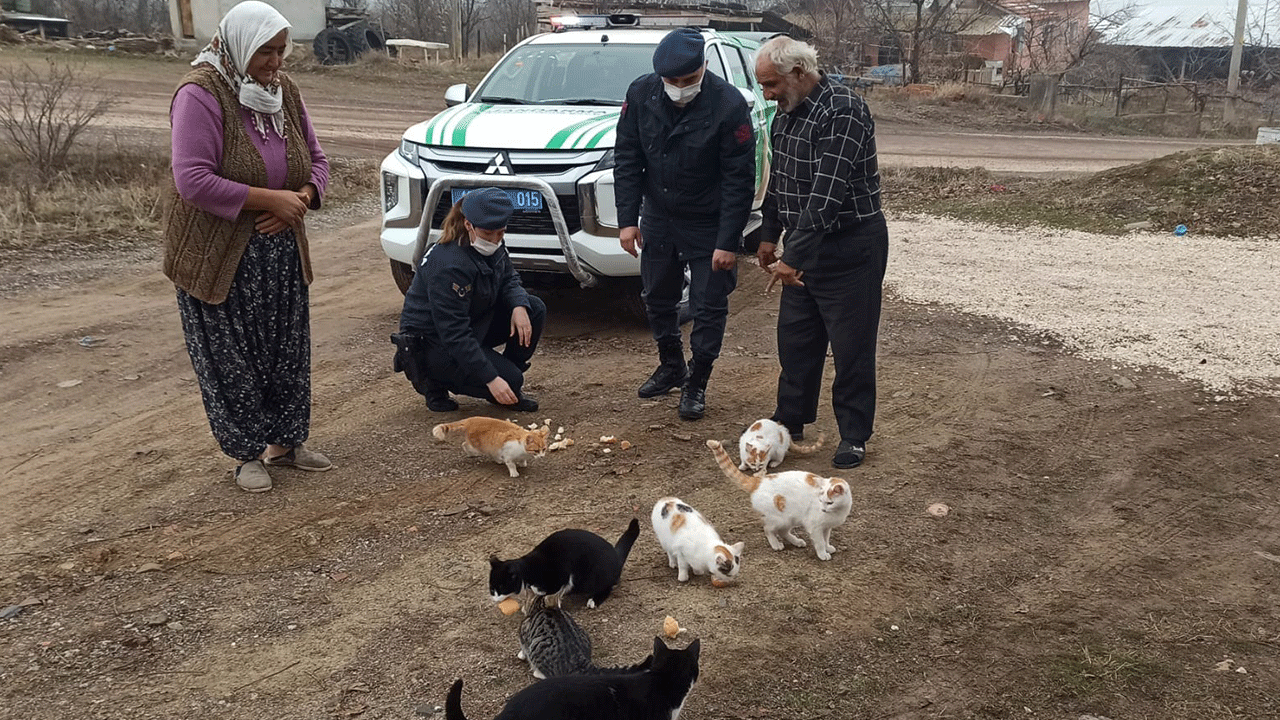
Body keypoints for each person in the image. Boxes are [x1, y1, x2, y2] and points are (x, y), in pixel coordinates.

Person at [164, 1, 331, 493]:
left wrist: (300, 198)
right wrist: (268, 199)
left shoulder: (284, 91)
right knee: (230, 357)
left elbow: (317, 161)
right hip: (218, 256)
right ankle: (246, 454)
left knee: (286, 350)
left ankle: (286, 441)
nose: (275, 63)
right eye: (266, 52)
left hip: (279, 253)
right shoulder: (200, 93)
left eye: (282, 51)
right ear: (239, 46)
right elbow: (191, 179)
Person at [753, 36, 889, 470]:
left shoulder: (843, 110)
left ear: (798, 72)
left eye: (771, 84)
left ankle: (853, 435)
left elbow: (825, 195)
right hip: (806, 244)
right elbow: (782, 181)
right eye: (762, 86)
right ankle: (789, 423)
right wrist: (769, 234)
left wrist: (794, 257)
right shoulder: (786, 114)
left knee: (851, 346)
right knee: (796, 341)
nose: (767, 94)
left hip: (851, 245)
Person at [614, 27, 756, 421]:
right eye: (671, 81)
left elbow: (739, 179)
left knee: (709, 306)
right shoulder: (641, 94)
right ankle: (671, 364)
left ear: (704, 67)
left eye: (688, 80)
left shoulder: (728, 105)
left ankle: (697, 382)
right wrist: (628, 220)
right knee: (657, 296)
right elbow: (627, 158)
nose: (679, 88)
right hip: (659, 215)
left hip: (708, 221)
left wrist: (728, 241)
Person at [393, 188, 545, 413]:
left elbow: (508, 277)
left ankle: (507, 378)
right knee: (509, 380)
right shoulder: (449, 264)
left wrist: (518, 305)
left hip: (471, 323)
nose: (494, 241)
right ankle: (433, 382)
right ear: (468, 225)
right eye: (488, 234)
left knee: (534, 309)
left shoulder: (488, 242)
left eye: (500, 233)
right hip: (433, 344)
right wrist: (491, 378)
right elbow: (454, 333)